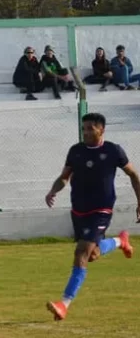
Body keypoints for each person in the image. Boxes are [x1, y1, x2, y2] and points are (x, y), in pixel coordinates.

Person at [44, 112, 140, 321]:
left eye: (90, 129)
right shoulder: (76, 151)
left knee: (81, 253)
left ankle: (64, 304)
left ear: (101, 130)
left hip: (101, 210)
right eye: (84, 129)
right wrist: (53, 190)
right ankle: (120, 241)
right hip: (79, 209)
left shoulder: (113, 151)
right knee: (93, 254)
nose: (86, 132)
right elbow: (64, 178)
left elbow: (133, 174)